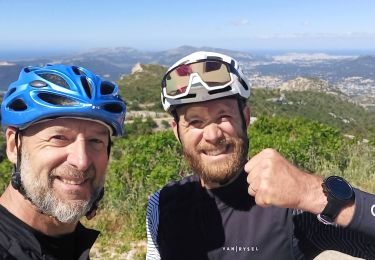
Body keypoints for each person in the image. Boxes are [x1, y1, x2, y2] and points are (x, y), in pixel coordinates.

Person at [146, 51, 375, 259]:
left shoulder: (288, 206)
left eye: (224, 116)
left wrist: (310, 192)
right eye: (195, 121)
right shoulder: (161, 205)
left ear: (245, 119)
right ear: (177, 132)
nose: (213, 134)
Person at [0, 64, 126, 259]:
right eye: (59, 138)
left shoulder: (71, 244)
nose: (82, 161)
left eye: (96, 141)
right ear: (13, 146)